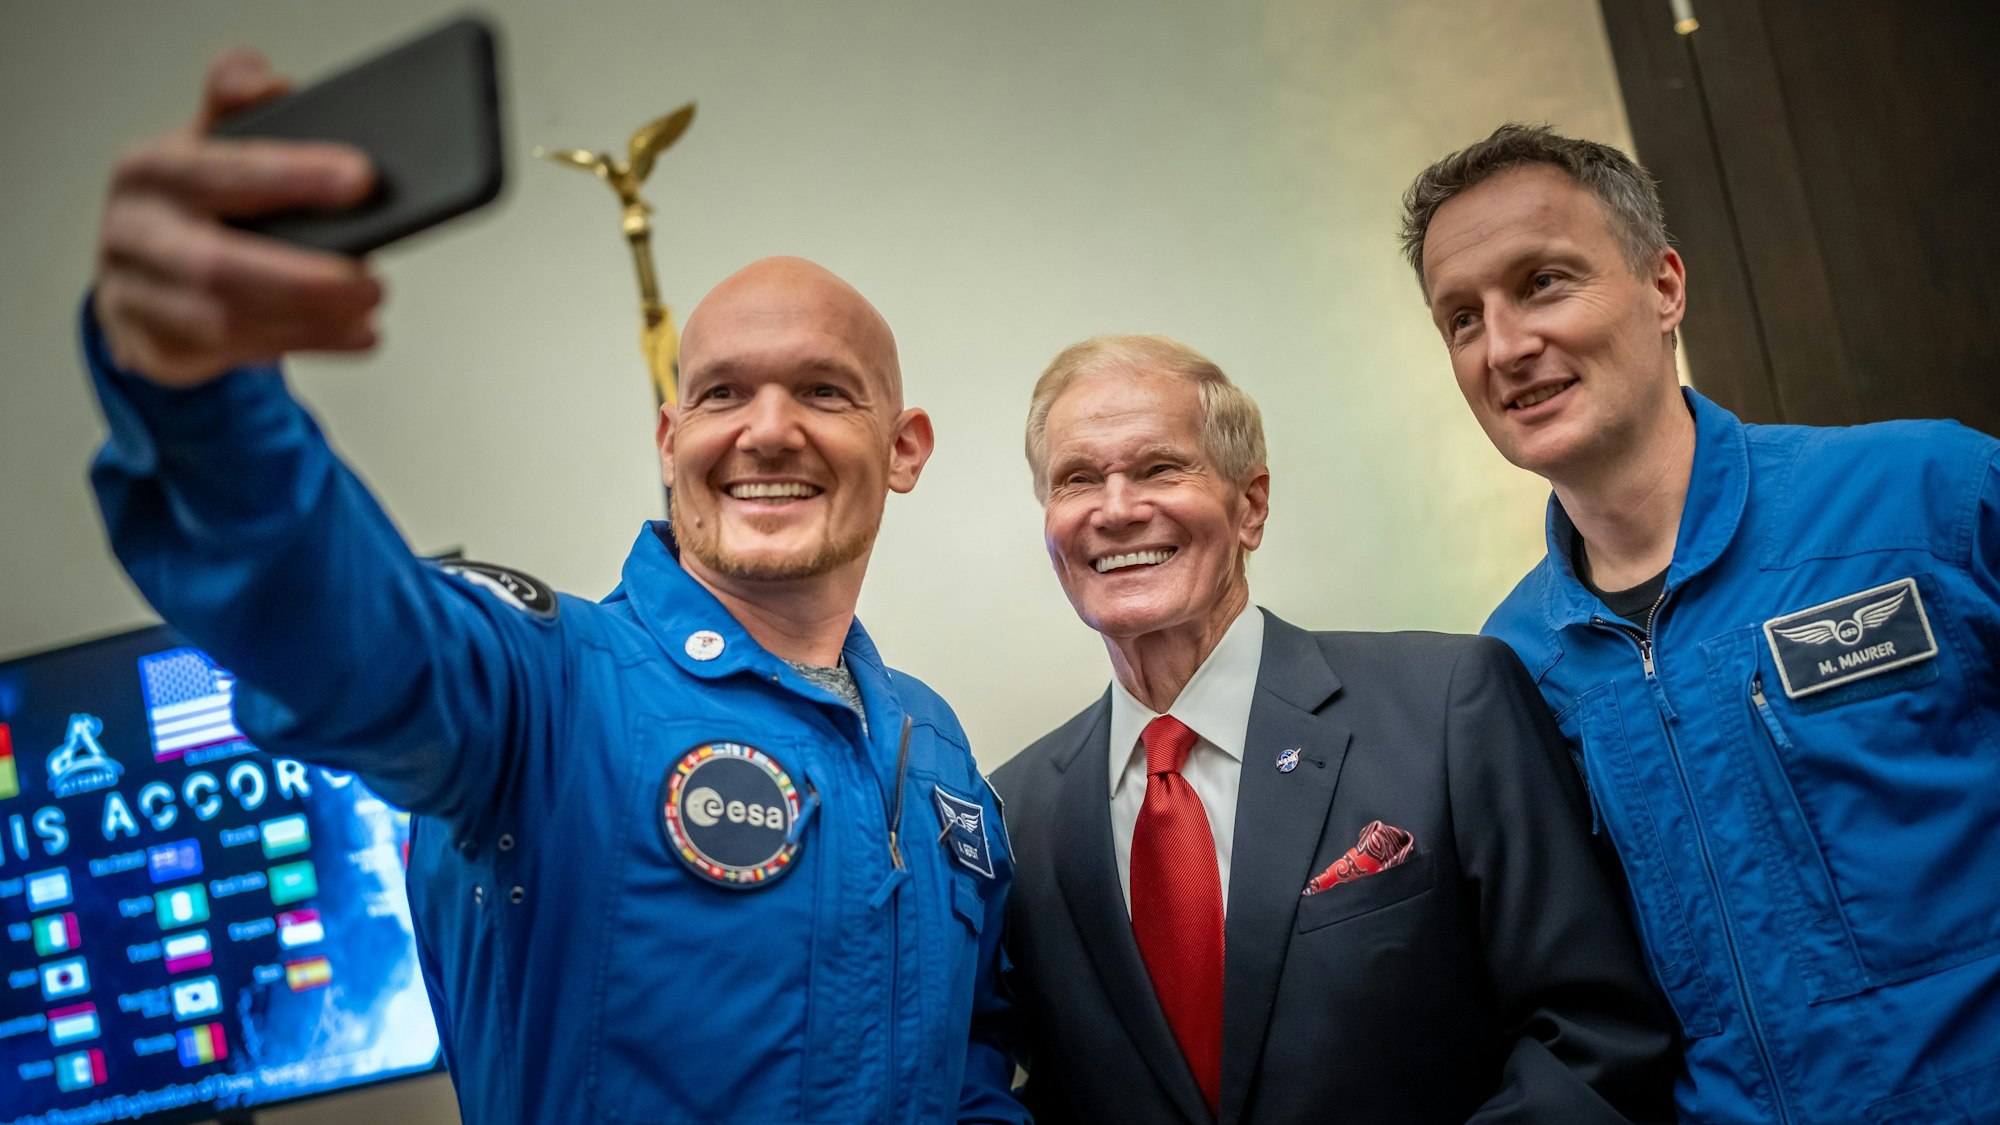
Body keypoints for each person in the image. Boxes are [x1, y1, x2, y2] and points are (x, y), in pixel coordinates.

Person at [83, 50, 1022, 1125]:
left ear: (902, 448)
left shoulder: (937, 754)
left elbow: (969, 1059)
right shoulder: (545, 686)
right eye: (721, 394)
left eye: (822, 390)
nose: (768, 430)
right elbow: (350, 641)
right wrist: (203, 402)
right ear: (669, 441)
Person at [1402, 123, 2000, 1125]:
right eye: (1460, 319)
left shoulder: (1928, 495)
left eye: (1542, 282)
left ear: (1662, 287)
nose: (1503, 346)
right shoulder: (1507, 668)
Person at [991, 335, 1677, 1124]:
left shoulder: (1448, 706)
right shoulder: (1014, 815)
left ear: (1250, 506)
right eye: (1078, 479)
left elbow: (1594, 1037)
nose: (1115, 509)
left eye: (1158, 468)